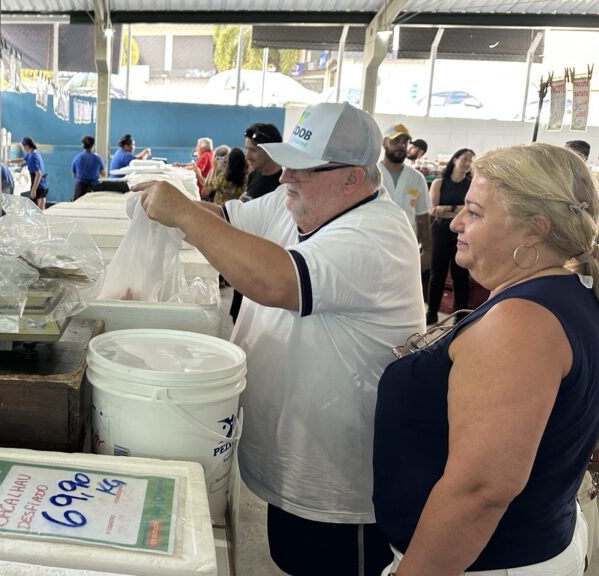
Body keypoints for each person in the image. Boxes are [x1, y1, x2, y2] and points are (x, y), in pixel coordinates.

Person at [137, 102, 424, 575]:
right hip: (292, 459)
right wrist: (173, 209)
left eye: (303, 168)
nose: (286, 176)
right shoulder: (301, 201)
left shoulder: (374, 234)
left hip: (338, 481)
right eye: (287, 162)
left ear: (353, 177)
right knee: (290, 559)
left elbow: (273, 281)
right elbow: (229, 222)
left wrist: (184, 215)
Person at [374, 143, 599, 574]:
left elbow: (480, 492)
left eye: (474, 213)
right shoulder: (566, 292)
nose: (456, 221)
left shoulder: (520, 324)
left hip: (482, 563)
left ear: (534, 229)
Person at [425, 148, 475, 325]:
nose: (467, 163)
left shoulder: (471, 184)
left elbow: (471, 210)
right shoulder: (439, 182)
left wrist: (448, 209)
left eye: (470, 161)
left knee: (460, 274)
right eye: (465, 159)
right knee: (436, 274)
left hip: (462, 232)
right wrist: (458, 210)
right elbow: (434, 210)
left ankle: (460, 316)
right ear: (454, 160)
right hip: (440, 231)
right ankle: (432, 312)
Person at [379, 124, 432, 271]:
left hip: (406, 247)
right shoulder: (372, 175)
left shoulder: (417, 178)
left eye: (405, 142)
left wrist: (427, 251)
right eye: (396, 141)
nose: (401, 145)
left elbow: (422, 216)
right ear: (384, 143)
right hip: (375, 244)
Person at [241, 122, 283, 202]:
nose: (247, 156)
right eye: (247, 149)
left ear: (271, 151)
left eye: (253, 150)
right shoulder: (254, 174)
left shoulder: (284, 184)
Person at [10, 136, 48, 209]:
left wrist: (33, 189)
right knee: (42, 201)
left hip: (38, 185)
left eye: (23, 147)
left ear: (27, 146)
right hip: (44, 184)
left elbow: (38, 174)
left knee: (36, 207)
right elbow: (22, 160)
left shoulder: (32, 157)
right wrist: (10, 161)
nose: (22, 149)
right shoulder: (34, 153)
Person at [71, 135, 107, 201]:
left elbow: (74, 175)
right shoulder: (97, 158)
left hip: (80, 188)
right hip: (94, 188)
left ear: (83, 145)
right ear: (93, 146)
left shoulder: (77, 158)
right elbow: (104, 174)